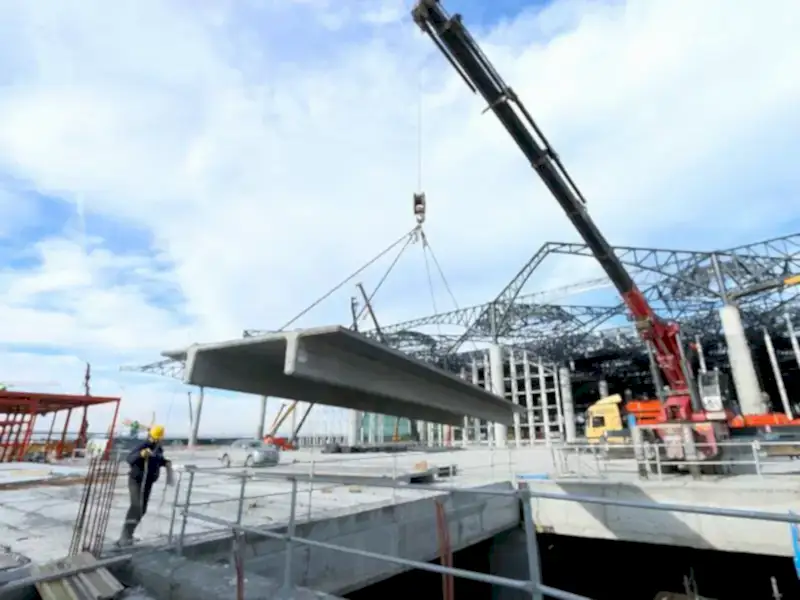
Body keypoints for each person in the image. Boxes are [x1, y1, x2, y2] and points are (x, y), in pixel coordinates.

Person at [118, 424, 171, 546]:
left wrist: (165, 462)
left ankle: (129, 534)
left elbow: (157, 460)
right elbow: (129, 458)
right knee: (136, 506)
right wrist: (141, 454)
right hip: (136, 481)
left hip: (148, 482)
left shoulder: (158, 449)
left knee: (142, 509)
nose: (160, 440)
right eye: (158, 438)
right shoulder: (143, 446)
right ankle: (124, 537)